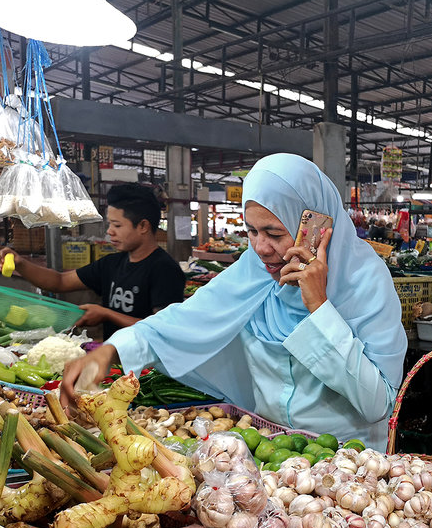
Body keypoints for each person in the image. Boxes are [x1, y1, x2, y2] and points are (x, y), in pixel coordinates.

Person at [62, 154, 408, 449]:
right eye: (252, 231)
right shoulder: (253, 272)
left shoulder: (366, 281)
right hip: (270, 451)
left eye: (274, 233)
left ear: (317, 225)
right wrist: (112, 350)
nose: (260, 248)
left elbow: (377, 403)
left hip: (348, 462)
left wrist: (319, 308)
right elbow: (186, 320)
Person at [0, 183, 185, 339]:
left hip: (149, 367)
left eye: (117, 225)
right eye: (109, 224)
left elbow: (161, 330)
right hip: (115, 361)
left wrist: (106, 314)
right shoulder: (112, 263)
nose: (110, 231)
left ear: (143, 226)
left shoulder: (164, 270)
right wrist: (20, 263)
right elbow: (59, 281)